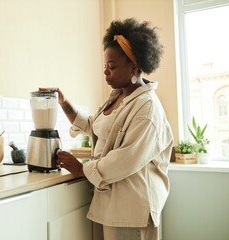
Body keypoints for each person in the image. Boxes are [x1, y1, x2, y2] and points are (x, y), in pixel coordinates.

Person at [41, 18, 173, 240]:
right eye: (105, 66)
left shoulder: (147, 108)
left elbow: (127, 158)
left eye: (112, 67)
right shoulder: (121, 96)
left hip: (133, 209)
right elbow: (95, 125)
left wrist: (83, 169)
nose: (105, 73)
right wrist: (63, 103)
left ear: (134, 66)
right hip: (114, 206)